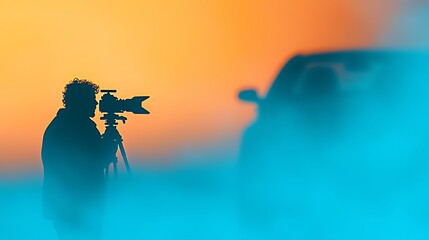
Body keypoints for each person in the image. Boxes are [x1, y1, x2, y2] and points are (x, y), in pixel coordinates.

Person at [41, 78, 116, 240]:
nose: (96, 104)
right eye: (92, 100)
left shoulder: (62, 124)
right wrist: (109, 145)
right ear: (81, 101)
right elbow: (94, 161)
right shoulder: (77, 126)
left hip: (66, 206)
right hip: (78, 207)